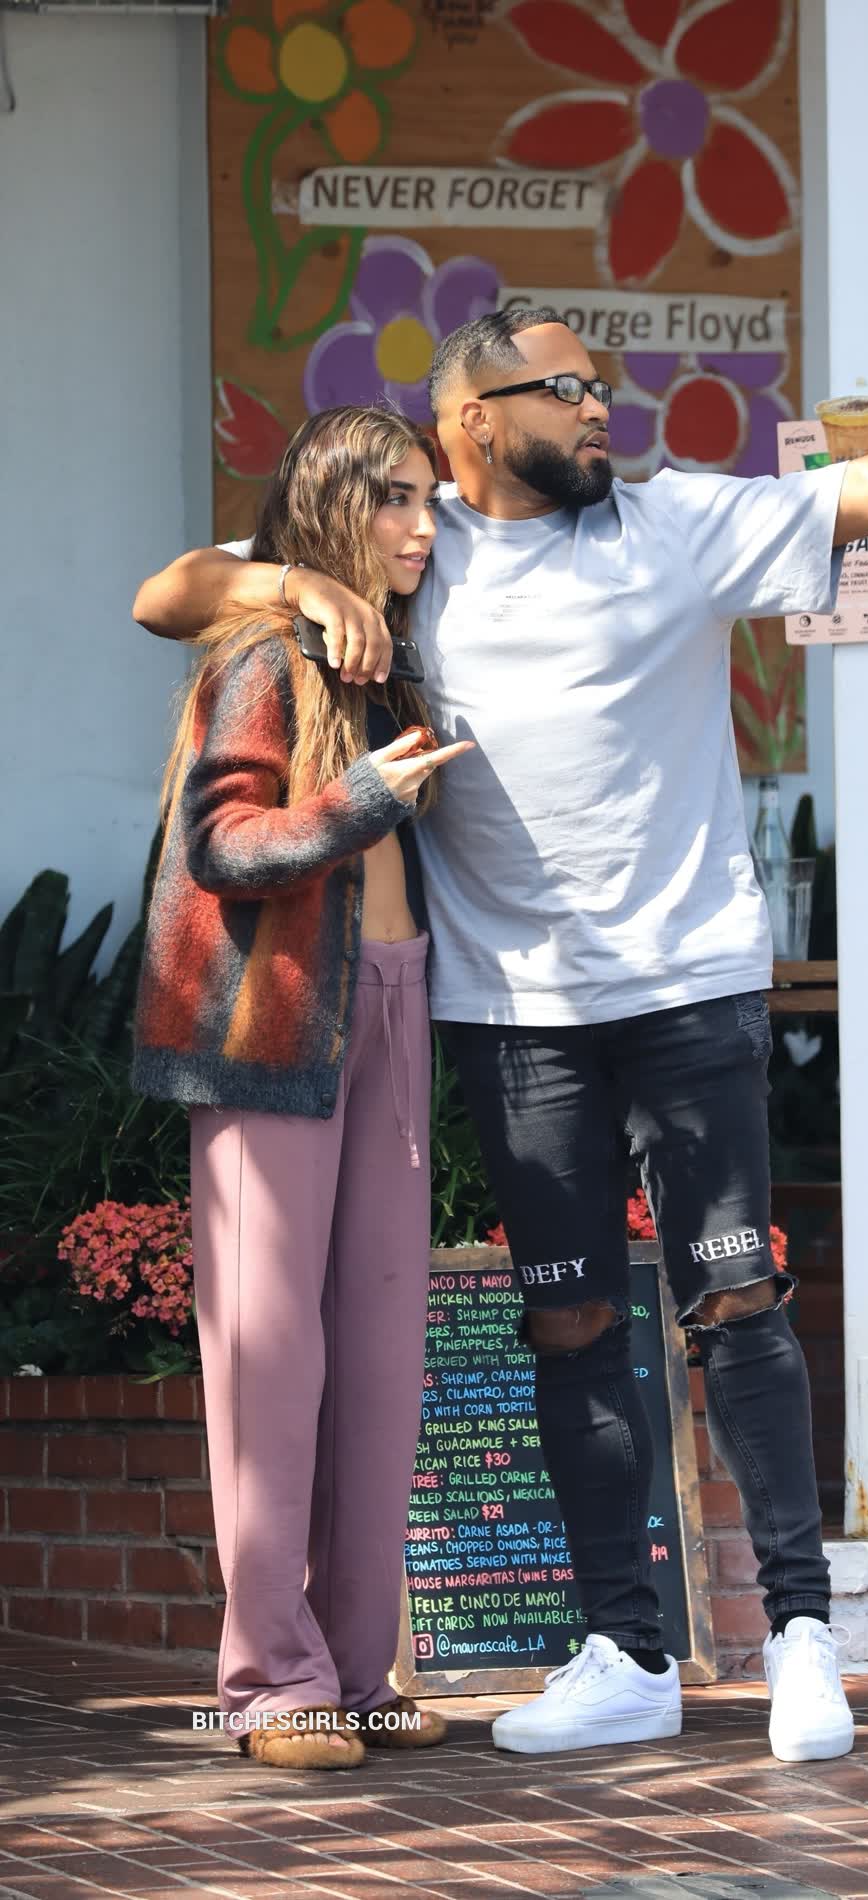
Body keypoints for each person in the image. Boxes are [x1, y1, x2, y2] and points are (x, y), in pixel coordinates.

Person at [135, 324, 868, 1765]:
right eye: (567, 390)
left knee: (736, 1303)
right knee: (571, 1325)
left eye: (602, 387)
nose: (601, 409)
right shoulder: (413, 546)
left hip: (687, 990)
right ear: (471, 420)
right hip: (513, 1015)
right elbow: (170, 593)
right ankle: (626, 1654)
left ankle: (802, 1641)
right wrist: (301, 581)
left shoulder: (678, 525)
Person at [132, 406, 472, 1770]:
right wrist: (360, 802)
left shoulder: (392, 659)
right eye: (394, 499)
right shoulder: (269, 652)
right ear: (332, 506)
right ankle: (272, 1681)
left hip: (392, 1004)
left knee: (383, 1361)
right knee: (270, 1363)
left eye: (429, 500)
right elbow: (221, 844)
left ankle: (357, 1665)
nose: (421, 526)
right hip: (271, 1029)